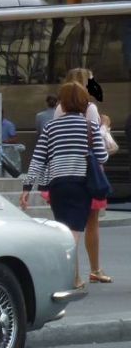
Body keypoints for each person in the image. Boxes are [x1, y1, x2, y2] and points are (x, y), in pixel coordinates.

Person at [20, 82, 108, 289]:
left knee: (65, 229)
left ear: (63, 102)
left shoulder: (50, 127)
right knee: (73, 233)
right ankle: (60, 270)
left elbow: (38, 159)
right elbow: (102, 156)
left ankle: (75, 278)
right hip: (80, 184)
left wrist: (27, 188)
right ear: (84, 101)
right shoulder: (90, 126)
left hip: (57, 185)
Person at [53, 68, 111, 284]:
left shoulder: (58, 109)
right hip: (88, 174)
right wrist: (105, 127)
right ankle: (94, 269)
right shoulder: (91, 109)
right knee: (91, 223)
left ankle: (74, 273)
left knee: (69, 225)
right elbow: (96, 144)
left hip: (62, 172)